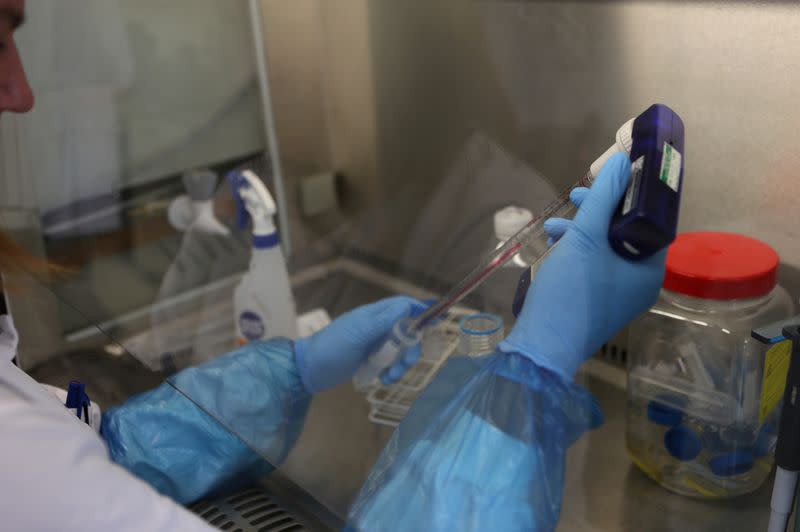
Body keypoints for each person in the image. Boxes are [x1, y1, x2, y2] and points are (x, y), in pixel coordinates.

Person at [0, 1, 667, 530]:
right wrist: (540, 364)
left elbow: (114, 449)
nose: (23, 93)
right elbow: (58, 475)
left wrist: (294, 370)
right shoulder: (21, 465)